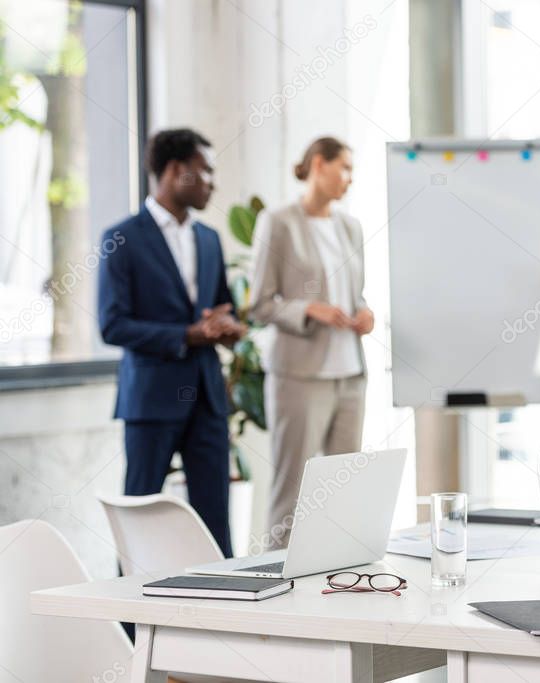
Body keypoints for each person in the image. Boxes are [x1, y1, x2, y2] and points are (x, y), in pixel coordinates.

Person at [98, 128, 245, 556]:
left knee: (215, 522)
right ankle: (127, 625)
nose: (212, 182)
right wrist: (187, 335)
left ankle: (222, 620)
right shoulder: (122, 237)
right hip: (151, 400)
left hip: (207, 400)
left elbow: (223, 308)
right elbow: (112, 326)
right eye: (206, 171)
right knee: (138, 517)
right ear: (177, 170)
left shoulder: (209, 239)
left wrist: (230, 328)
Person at [249, 136, 374, 549]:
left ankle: (339, 580)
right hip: (299, 376)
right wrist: (307, 310)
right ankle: (275, 579)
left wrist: (364, 312)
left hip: (350, 375)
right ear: (319, 165)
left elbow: (353, 294)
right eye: (345, 168)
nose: (350, 180)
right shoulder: (278, 222)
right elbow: (260, 305)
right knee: (293, 491)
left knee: (345, 494)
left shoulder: (350, 227)